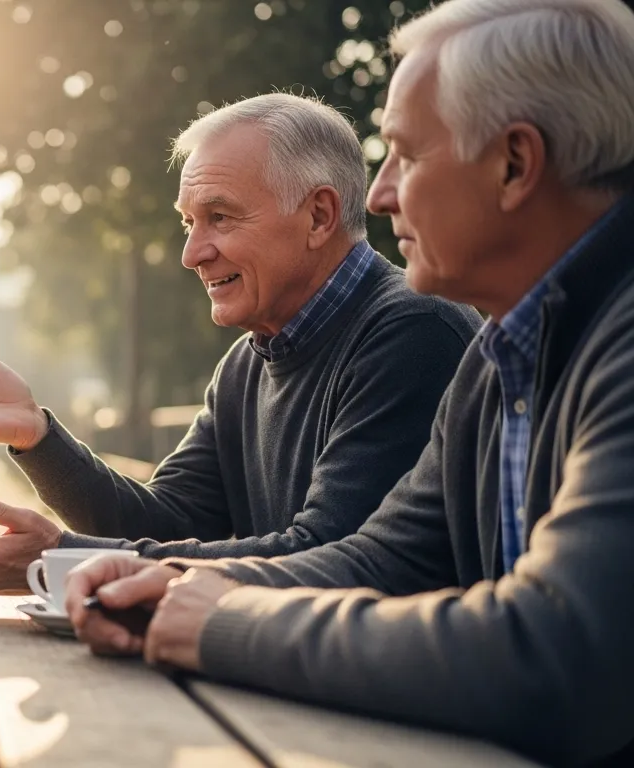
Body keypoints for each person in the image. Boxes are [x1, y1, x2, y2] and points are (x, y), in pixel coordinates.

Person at [66, 0, 634, 763]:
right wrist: (170, 583)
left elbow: (556, 656)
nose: (381, 192)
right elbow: (382, 559)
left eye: (405, 155)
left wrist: (223, 621)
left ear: (514, 164)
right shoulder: (499, 357)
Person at [0, 94, 480, 592]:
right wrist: (38, 437)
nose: (192, 254)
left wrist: (64, 561)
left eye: (220, 216)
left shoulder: (413, 333)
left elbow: (328, 555)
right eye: (188, 222)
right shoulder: (247, 364)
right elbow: (167, 521)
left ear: (319, 216)